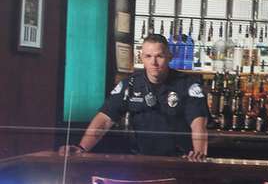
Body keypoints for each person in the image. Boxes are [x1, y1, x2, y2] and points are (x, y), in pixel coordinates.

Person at [61, 33, 208, 159]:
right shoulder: (130, 84)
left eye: (159, 56)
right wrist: (82, 148)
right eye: (148, 56)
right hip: (141, 160)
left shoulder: (188, 85)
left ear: (169, 57)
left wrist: (199, 155)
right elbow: (104, 119)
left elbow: (198, 124)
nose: (154, 62)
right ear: (141, 58)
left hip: (178, 160)